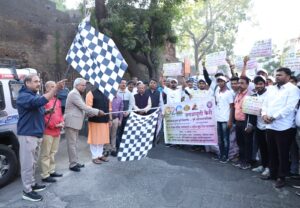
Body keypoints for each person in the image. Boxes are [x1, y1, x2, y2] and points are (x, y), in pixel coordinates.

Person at [17, 74, 65, 202]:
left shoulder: (33, 95)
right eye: (35, 81)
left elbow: (38, 109)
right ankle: (27, 191)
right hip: (28, 134)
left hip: (36, 134)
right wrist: (55, 90)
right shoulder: (23, 96)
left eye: (39, 81)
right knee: (27, 164)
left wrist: (47, 112)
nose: (38, 83)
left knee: (33, 163)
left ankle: (32, 184)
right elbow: (38, 102)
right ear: (27, 83)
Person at [261, 67, 299, 188]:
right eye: (276, 75)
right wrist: (264, 114)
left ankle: (281, 177)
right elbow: (265, 104)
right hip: (270, 126)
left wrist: (273, 117)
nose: (277, 77)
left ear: (288, 76)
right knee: (271, 151)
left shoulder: (293, 89)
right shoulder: (271, 89)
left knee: (282, 153)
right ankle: (273, 173)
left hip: (284, 127)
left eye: (280, 75)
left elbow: (289, 107)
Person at [64, 78, 104, 172]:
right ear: (77, 85)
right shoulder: (74, 93)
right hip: (71, 123)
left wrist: (89, 113)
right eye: (83, 85)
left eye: (85, 85)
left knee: (74, 144)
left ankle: (74, 162)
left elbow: (81, 109)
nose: (84, 87)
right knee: (72, 144)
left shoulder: (77, 93)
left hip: (75, 122)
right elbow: (84, 107)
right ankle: (73, 164)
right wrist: (97, 111)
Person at [40, 81, 64, 184]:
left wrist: (62, 122)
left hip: (57, 131)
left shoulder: (57, 101)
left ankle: (51, 170)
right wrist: (53, 125)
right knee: (46, 154)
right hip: (48, 131)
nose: (55, 88)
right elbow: (42, 116)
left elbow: (60, 114)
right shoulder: (43, 100)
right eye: (52, 87)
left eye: (55, 86)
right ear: (47, 89)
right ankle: (45, 175)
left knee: (53, 152)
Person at [246, 76, 270, 177]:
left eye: (261, 83)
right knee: (262, 148)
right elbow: (251, 113)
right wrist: (250, 124)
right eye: (257, 84)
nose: (259, 86)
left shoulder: (270, 95)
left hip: (269, 126)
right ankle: (263, 165)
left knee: (270, 148)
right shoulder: (253, 96)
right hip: (259, 126)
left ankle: (269, 167)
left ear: (265, 83)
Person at [86, 88, 112, 164]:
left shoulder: (108, 93)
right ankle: (94, 156)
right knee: (94, 139)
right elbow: (88, 108)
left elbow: (110, 108)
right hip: (94, 120)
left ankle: (100, 155)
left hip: (105, 120)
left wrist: (110, 119)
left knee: (102, 139)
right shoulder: (90, 93)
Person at [233, 76, 253, 170]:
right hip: (238, 122)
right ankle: (241, 159)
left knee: (247, 143)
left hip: (246, 122)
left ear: (247, 84)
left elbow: (252, 112)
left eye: (242, 83)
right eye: (239, 83)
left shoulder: (250, 95)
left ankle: (247, 162)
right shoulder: (237, 94)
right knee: (240, 142)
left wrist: (250, 124)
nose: (240, 85)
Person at [214, 76, 234, 163]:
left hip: (225, 119)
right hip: (218, 118)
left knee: (226, 139)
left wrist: (230, 120)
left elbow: (232, 107)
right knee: (220, 139)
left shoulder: (229, 93)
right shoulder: (217, 91)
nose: (220, 83)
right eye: (218, 81)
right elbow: (216, 103)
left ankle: (226, 156)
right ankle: (221, 154)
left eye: (222, 81)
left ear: (225, 82)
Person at [117, 79, 134, 150]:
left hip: (126, 115)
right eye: (122, 83)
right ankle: (118, 146)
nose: (124, 84)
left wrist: (128, 112)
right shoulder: (116, 93)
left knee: (126, 131)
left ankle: (125, 146)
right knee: (118, 131)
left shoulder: (129, 93)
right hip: (118, 115)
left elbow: (131, 104)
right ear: (119, 84)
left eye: (125, 83)